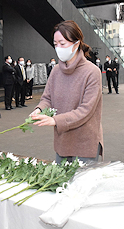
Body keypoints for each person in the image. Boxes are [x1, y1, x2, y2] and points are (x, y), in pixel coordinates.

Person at [30, 20, 103, 164]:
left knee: (82, 185)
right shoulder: (56, 71)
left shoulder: (92, 72)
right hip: (62, 141)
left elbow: (85, 110)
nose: (58, 48)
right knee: (59, 184)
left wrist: (55, 120)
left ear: (77, 43)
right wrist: (39, 109)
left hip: (85, 142)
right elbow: (47, 98)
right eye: (55, 44)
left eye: (62, 44)